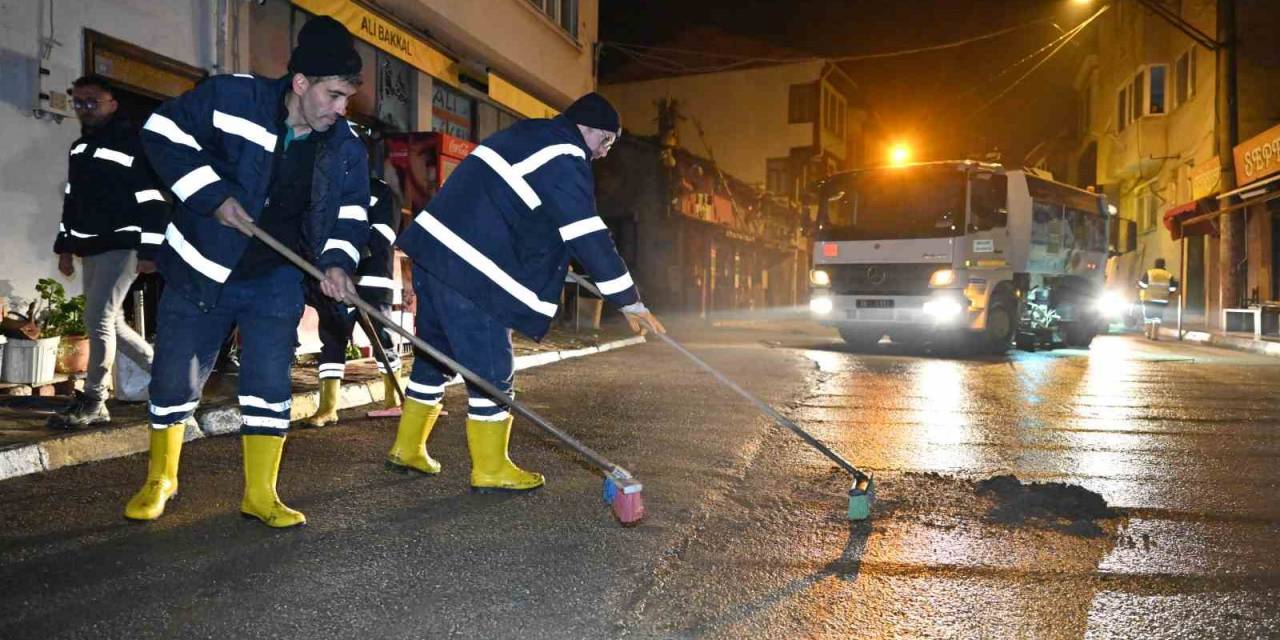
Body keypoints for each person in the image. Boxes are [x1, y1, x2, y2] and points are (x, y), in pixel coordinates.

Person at [124, 16, 370, 528]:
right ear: (300, 82)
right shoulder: (233, 97)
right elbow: (161, 130)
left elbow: (350, 212)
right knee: (173, 379)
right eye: (333, 95)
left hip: (275, 277)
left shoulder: (344, 146)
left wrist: (337, 263)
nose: (341, 109)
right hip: (200, 267)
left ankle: (261, 493)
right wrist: (212, 197)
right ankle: (161, 479)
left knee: (268, 382)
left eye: (347, 98)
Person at [389, 92, 665, 492]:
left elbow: (523, 211)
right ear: (585, 129)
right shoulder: (565, 154)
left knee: (435, 354)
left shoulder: (528, 134)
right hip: (472, 272)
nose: (605, 152)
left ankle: (407, 447)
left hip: (435, 257)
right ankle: (490, 468)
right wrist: (629, 299)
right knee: (491, 370)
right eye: (605, 140)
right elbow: (586, 233)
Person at [49, 75, 167, 428]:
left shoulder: (133, 144)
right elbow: (72, 201)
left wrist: (149, 250)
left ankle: (94, 399)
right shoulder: (79, 149)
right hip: (91, 246)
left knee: (98, 317)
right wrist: (65, 247)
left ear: (112, 104)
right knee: (109, 320)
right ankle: (168, 376)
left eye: (92, 102)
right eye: (79, 102)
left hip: (123, 245)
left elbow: (153, 199)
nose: (84, 109)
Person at [300, 175, 404, 427]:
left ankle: (393, 400)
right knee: (332, 340)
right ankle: (327, 408)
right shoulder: (332, 185)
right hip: (335, 283)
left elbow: (384, 233)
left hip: (372, 281)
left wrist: (347, 256)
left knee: (383, 341)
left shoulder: (381, 191)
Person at [1139, 257, 1178, 340]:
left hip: (1148, 298)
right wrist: (1169, 293)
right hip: (1161, 299)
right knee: (1158, 317)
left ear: (1155, 264)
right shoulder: (1168, 274)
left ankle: (1148, 333)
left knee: (1148, 316)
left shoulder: (1149, 273)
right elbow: (1173, 288)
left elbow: (1143, 285)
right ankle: (1154, 335)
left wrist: (1139, 285)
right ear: (1164, 265)